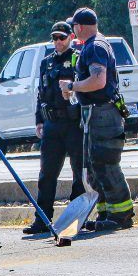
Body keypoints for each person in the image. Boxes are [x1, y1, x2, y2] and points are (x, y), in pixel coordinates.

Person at [59, 8, 133, 230]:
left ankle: (121, 215)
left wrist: (72, 86)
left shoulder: (96, 47)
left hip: (103, 113)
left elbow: (98, 81)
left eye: (73, 26)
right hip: (94, 113)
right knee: (93, 166)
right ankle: (106, 213)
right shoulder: (91, 46)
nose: (73, 30)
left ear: (79, 27)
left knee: (105, 162)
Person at [23, 21, 85, 234]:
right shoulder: (46, 62)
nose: (58, 42)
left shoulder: (78, 58)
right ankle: (42, 220)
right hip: (52, 124)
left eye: (62, 38)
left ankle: (76, 219)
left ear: (70, 38)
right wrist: (39, 120)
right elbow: (41, 93)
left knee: (79, 173)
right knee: (47, 174)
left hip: (73, 124)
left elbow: (85, 87)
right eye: (55, 38)